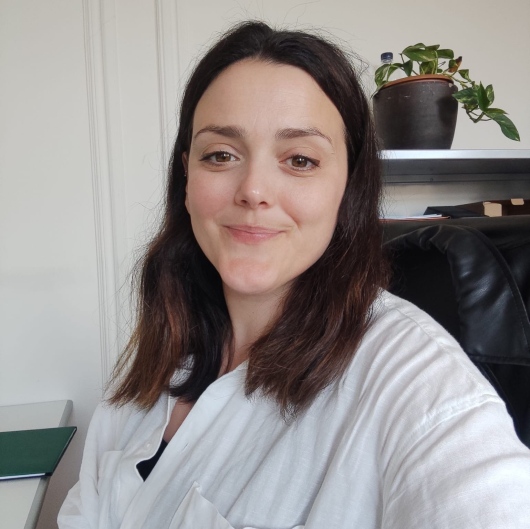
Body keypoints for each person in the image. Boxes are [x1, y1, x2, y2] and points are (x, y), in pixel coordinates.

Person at [58, 21, 530, 529]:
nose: (254, 190)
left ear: (348, 186)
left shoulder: (418, 383)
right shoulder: (160, 351)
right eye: (220, 155)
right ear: (187, 176)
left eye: (300, 159)